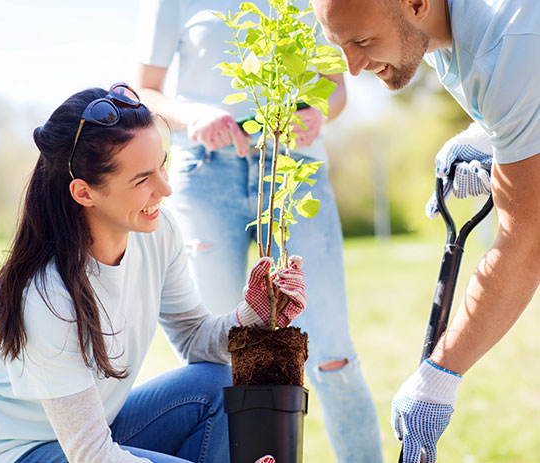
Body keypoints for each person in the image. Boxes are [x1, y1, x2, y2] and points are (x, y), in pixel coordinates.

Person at [0, 84, 308, 463]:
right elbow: (92, 455)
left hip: (89, 436)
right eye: (142, 179)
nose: (165, 188)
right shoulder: (48, 296)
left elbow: (195, 338)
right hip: (14, 454)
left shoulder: (157, 233)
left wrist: (254, 315)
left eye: (162, 166)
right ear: (84, 192)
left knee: (217, 384)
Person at [133, 1, 383, 461]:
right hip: (207, 175)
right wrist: (193, 116)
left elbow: (336, 86)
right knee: (217, 359)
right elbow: (144, 92)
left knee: (332, 354)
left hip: (295, 170)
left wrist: (318, 112)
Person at [311, 0, 540, 461]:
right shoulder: (436, 36)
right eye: (341, 46)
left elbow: (528, 242)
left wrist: (439, 379)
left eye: (362, 42)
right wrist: (486, 138)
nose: (352, 69)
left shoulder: (508, 45)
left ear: (416, 3)